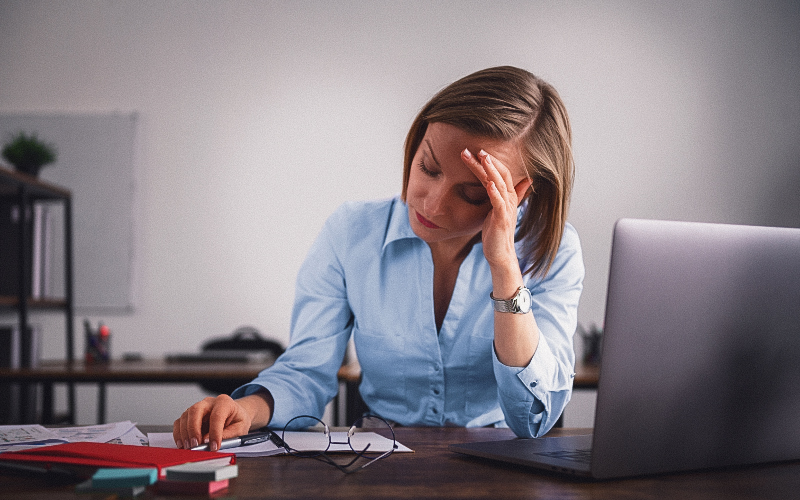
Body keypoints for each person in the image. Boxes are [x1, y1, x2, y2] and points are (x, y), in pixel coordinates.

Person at [173, 66, 584, 451]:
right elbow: (306, 370)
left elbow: (533, 419)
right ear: (416, 142)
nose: (433, 204)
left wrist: (505, 268)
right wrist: (245, 410)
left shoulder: (554, 250)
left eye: (473, 194)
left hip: (500, 472)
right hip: (381, 461)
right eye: (428, 167)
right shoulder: (351, 232)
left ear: (521, 192)